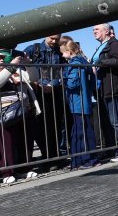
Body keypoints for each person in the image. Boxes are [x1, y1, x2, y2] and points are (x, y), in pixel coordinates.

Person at [0, 49, 40, 183]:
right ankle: (8, 172)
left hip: (21, 111)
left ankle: (25, 168)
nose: (1, 61)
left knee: (24, 142)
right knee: (6, 145)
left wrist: (28, 64)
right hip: (1, 115)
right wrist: (10, 67)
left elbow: (34, 78)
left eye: (2, 58)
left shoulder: (12, 71)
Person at [24, 34, 70, 171]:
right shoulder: (33, 49)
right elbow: (22, 66)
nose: (54, 41)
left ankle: (54, 157)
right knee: (40, 127)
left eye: (56, 39)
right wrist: (36, 83)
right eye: (52, 38)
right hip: (37, 91)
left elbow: (62, 70)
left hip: (53, 91)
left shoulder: (59, 51)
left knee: (54, 126)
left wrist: (53, 85)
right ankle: (47, 157)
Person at [91, 23, 118, 162]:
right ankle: (114, 149)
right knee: (110, 122)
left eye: (97, 29)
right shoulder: (100, 46)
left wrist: (101, 63)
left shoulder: (114, 43)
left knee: (117, 121)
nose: (93, 32)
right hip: (103, 88)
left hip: (113, 87)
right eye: (93, 30)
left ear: (106, 31)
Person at [60, 41, 100, 170]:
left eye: (63, 52)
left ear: (69, 52)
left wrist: (62, 78)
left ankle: (85, 159)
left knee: (80, 131)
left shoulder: (74, 64)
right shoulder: (83, 61)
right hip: (84, 100)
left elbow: (72, 84)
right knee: (84, 130)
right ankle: (83, 159)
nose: (61, 54)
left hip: (77, 102)